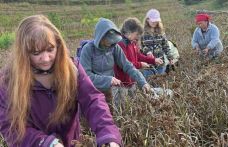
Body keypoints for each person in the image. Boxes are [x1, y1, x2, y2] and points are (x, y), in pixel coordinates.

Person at [0, 15, 122, 147]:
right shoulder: (8, 81)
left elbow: (93, 100)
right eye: (36, 53)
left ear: (58, 45)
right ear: (23, 53)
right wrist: (47, 143)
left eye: (50, 49)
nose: (46, 59)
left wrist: (108, 135)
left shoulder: (72, 68)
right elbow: (10, 127)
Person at [80, 18, 150, 104]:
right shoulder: (88, 50)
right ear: (101, 37)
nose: (112, 43)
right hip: (92, 93)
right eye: (109, 40)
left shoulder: (114, 47)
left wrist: (143, 82)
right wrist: (107, 80)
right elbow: (85, 76)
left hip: (110, 91)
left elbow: (128, 66)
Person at [113, 17, 163, 105]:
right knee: (122, 107)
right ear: (128, 32)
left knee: (133, 105)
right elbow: (126, 64)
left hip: (132, 80)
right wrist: (140, 65)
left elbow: (138, 56)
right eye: (136, 34)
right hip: (122, 84)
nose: (138, 36)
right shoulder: (120, 44)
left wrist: (153, 60)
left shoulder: (132, 42)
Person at [141, 9, 173, 78]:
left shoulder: (161, 32)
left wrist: (170, 57)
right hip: (148, 65)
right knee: (149, 83)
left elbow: (165, 45)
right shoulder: (142, 33)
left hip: (160, 64)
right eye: (153, 20)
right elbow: (139, 46)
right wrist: (147, 51)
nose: (154, 22)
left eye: (156, 21)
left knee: (160, 83)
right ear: (147, 19)